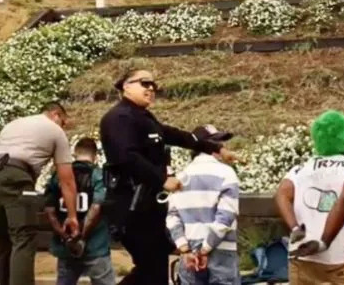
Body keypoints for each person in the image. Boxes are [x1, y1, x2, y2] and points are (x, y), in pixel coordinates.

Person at [99, 69, 238, 285]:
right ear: (126, 86)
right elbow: (126, 157)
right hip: (130, 205)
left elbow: (178, 136)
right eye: (145, 83)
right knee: (151, 271)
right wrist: (161, 179)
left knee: (155, 271)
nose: (151, 89)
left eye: (154, 85)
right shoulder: (118, 118)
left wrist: (216, 148)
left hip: (149, 206)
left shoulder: (144, 118)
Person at [0, 101, 80, 285]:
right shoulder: (55, 130)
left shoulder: (14, 124)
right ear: (56, 114)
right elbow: (67, 179)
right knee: (23, 238)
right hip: (16, 177)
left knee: (2, 239)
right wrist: (72, 216)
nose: (63, 127)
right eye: (63, 122)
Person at [274, 110, 344, 285]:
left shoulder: (301, 168)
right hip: (336, 261)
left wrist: (295, 229)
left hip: (300, 258)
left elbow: (281, 194)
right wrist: (324, 241)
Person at [166, 125, 241, 285]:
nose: (223, 148)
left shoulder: (180, 177)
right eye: (218, 143)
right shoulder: (226, 173)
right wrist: (205, 249)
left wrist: (184, 248)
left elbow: (172, 217)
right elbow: (226, 217)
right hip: (221, 250)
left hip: (189, 252)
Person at [45, 137, 116, 285]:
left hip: (66, 247)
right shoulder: (97, 175)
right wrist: (81, 237)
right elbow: (96, 207)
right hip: (95, 246)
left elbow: (50, 211)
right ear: (95, 156)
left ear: (75, 154)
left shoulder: (59, 175)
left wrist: (65, 236)